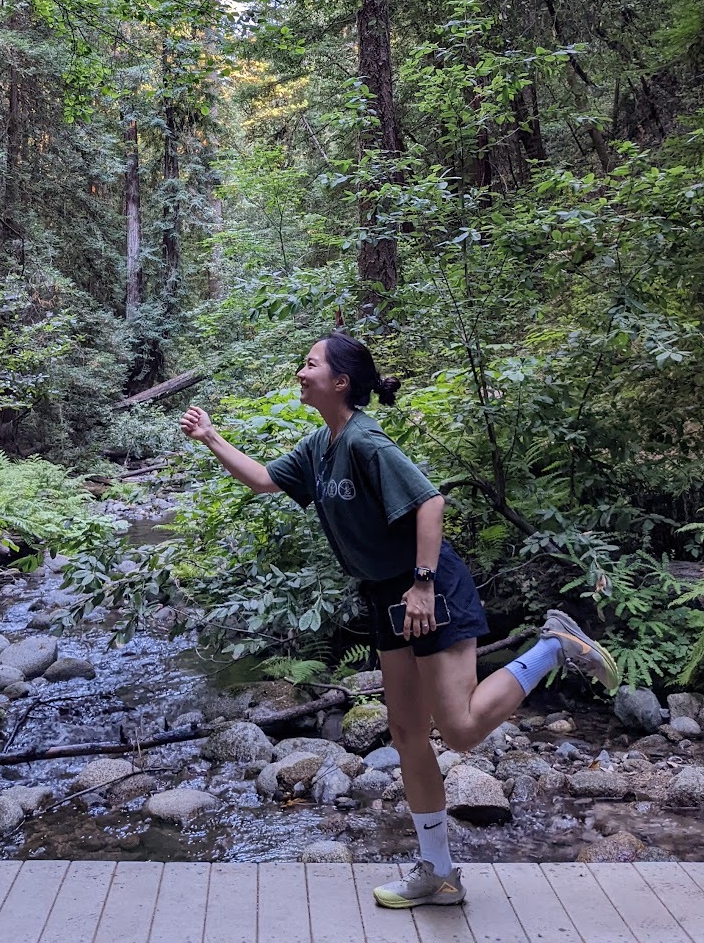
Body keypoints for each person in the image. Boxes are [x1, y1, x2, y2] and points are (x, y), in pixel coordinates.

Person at [180, 332, 618, 911]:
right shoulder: (319, 446)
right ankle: (439, 874)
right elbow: (263, 479)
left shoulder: (365, 440)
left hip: (427, 589)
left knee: (459, 730)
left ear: (340, 381)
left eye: (310, 364)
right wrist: (211, 437)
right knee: (408, 734)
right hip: (385, 597)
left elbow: (430, 502)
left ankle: (554, 645)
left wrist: (423, 583)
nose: (301, 372)